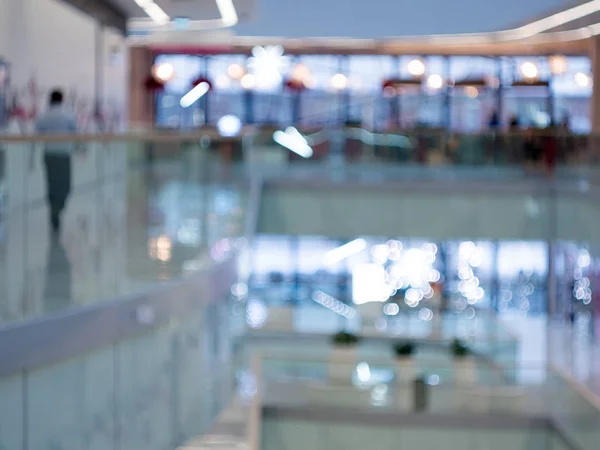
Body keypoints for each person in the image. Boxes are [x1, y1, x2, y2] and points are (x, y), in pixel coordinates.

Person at [35, 89, 77, 233]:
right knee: (65, 185)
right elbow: (75, 133)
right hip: (63, 155)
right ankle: (57, 209)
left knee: (52, 185)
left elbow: (35, 135)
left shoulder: (43, 115)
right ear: (62, 99)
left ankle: (54, 210)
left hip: (49, 155)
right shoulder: (68, 115)